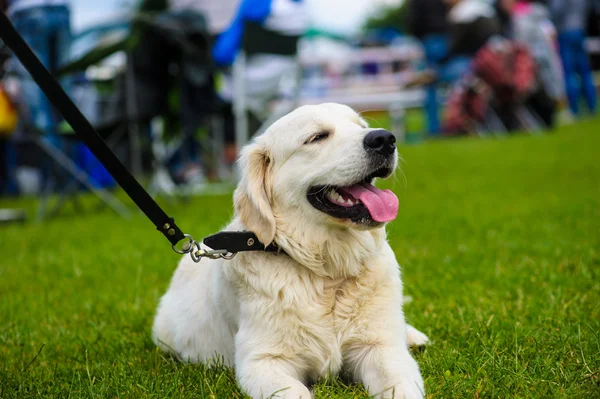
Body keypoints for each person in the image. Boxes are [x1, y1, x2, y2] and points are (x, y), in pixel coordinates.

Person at [514, 0, 564, 127]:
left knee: (542, 88)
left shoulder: (520, 15)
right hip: (544, 56)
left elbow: (520, 40)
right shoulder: (543, 17)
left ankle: (551, 114)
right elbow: (551, 36)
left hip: (532, 58)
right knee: (550, 84)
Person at [406, 0, 450, 135]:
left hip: (430, 39)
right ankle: (453, 124)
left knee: (430, 84)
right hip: (448, 36)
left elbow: (413, 21)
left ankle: (434, 128)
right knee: (450, 82)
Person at [550, 0, 597, 116]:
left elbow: (556, 11)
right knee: (585, 72)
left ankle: (574, 109)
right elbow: (590, 9)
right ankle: (592, 107)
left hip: (565, 32)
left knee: (569, 73)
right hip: (580, 31)